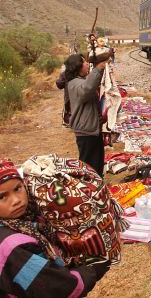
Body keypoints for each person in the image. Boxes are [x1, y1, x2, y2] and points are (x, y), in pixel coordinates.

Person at [0, 158, 109, 297]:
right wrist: (93, 270)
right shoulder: (12, 248)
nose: (16, 200)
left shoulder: (27, 218)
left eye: (17, 188)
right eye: (2, 196)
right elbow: (57, 289)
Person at [64, 54, 107, 177]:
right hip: (86, 131)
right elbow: (87, 88)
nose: (87, 64)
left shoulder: (80, 80)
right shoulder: (74, 83)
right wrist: (98, 69)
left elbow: (90, 84)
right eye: (84, 62)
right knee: (89, 166)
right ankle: (88, 188)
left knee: (97, 162)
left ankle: (96, 187)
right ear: (77, 66)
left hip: (91, 129)